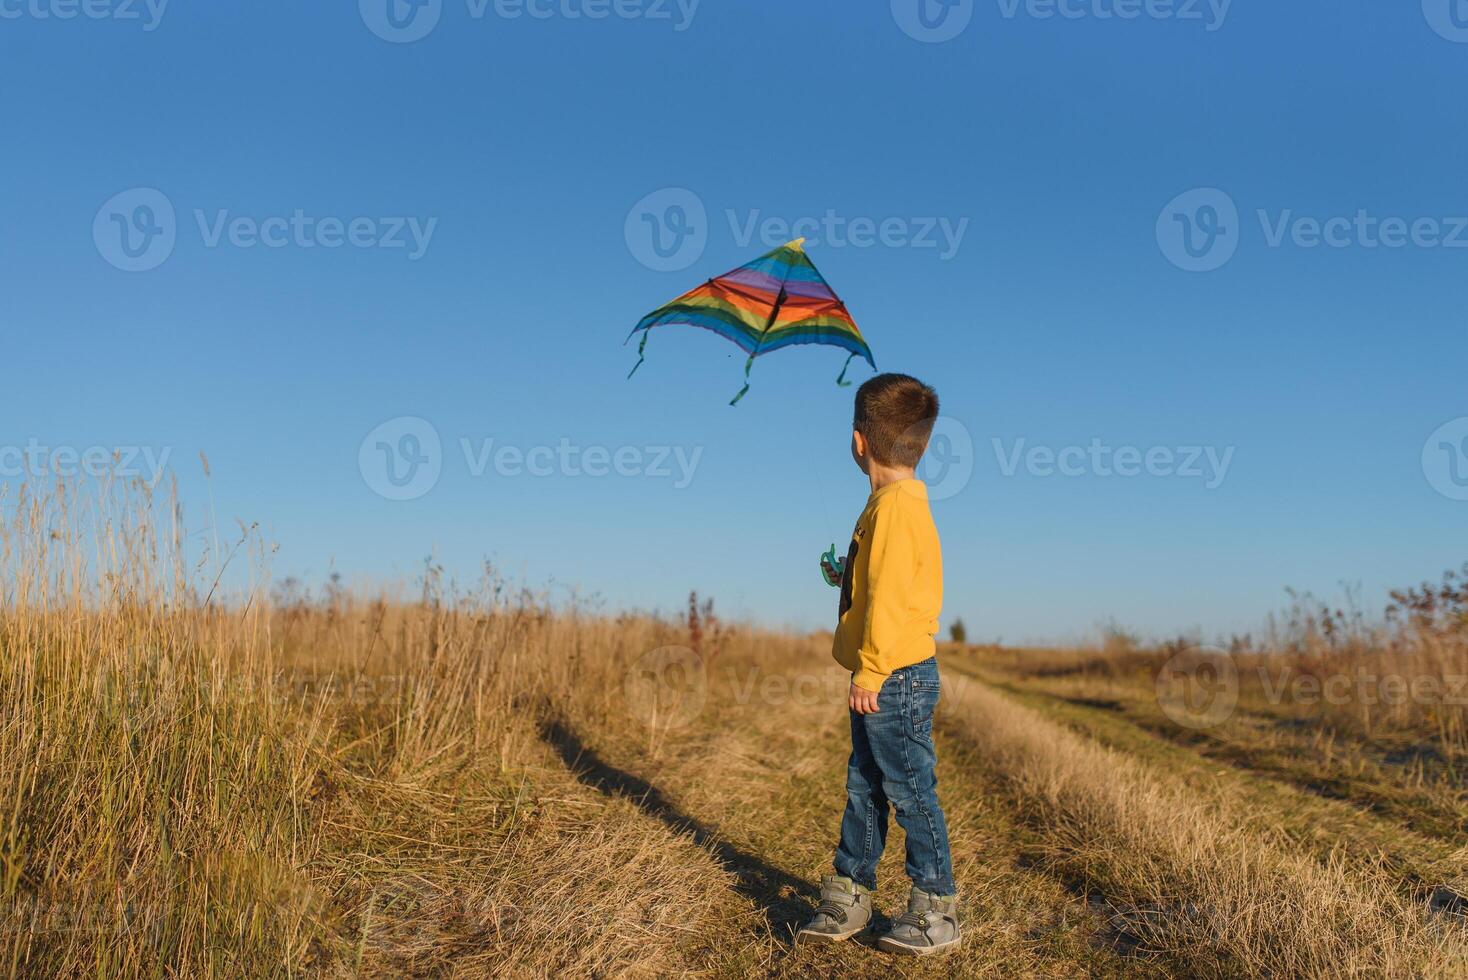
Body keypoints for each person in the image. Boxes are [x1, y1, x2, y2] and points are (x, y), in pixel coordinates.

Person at [796, 373, 959, 956]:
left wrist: (870, 671)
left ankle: (936, 906)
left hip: (894, 675)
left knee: (910, 788)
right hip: (887, 670)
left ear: (859, 442)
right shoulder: (891, 504)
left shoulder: (894, 508)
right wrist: (847, 576)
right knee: (863, 783)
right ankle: (851, 889)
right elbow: (883, 582)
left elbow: (892, 600)